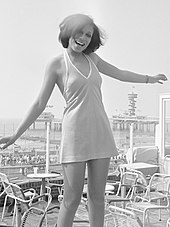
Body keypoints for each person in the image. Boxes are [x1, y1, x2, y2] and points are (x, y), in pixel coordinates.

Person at [0, 14, 167, 227]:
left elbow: (120, 73)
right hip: (74, 136)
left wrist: (148, 79)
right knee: (71, 200)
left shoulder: (93, 59)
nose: (83, 38)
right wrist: (16, 135)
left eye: (88, 35)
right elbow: (40, 103)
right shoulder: (57, 64)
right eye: (80, 32)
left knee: (98, 199)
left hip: (100, 133)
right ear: (69, 32)